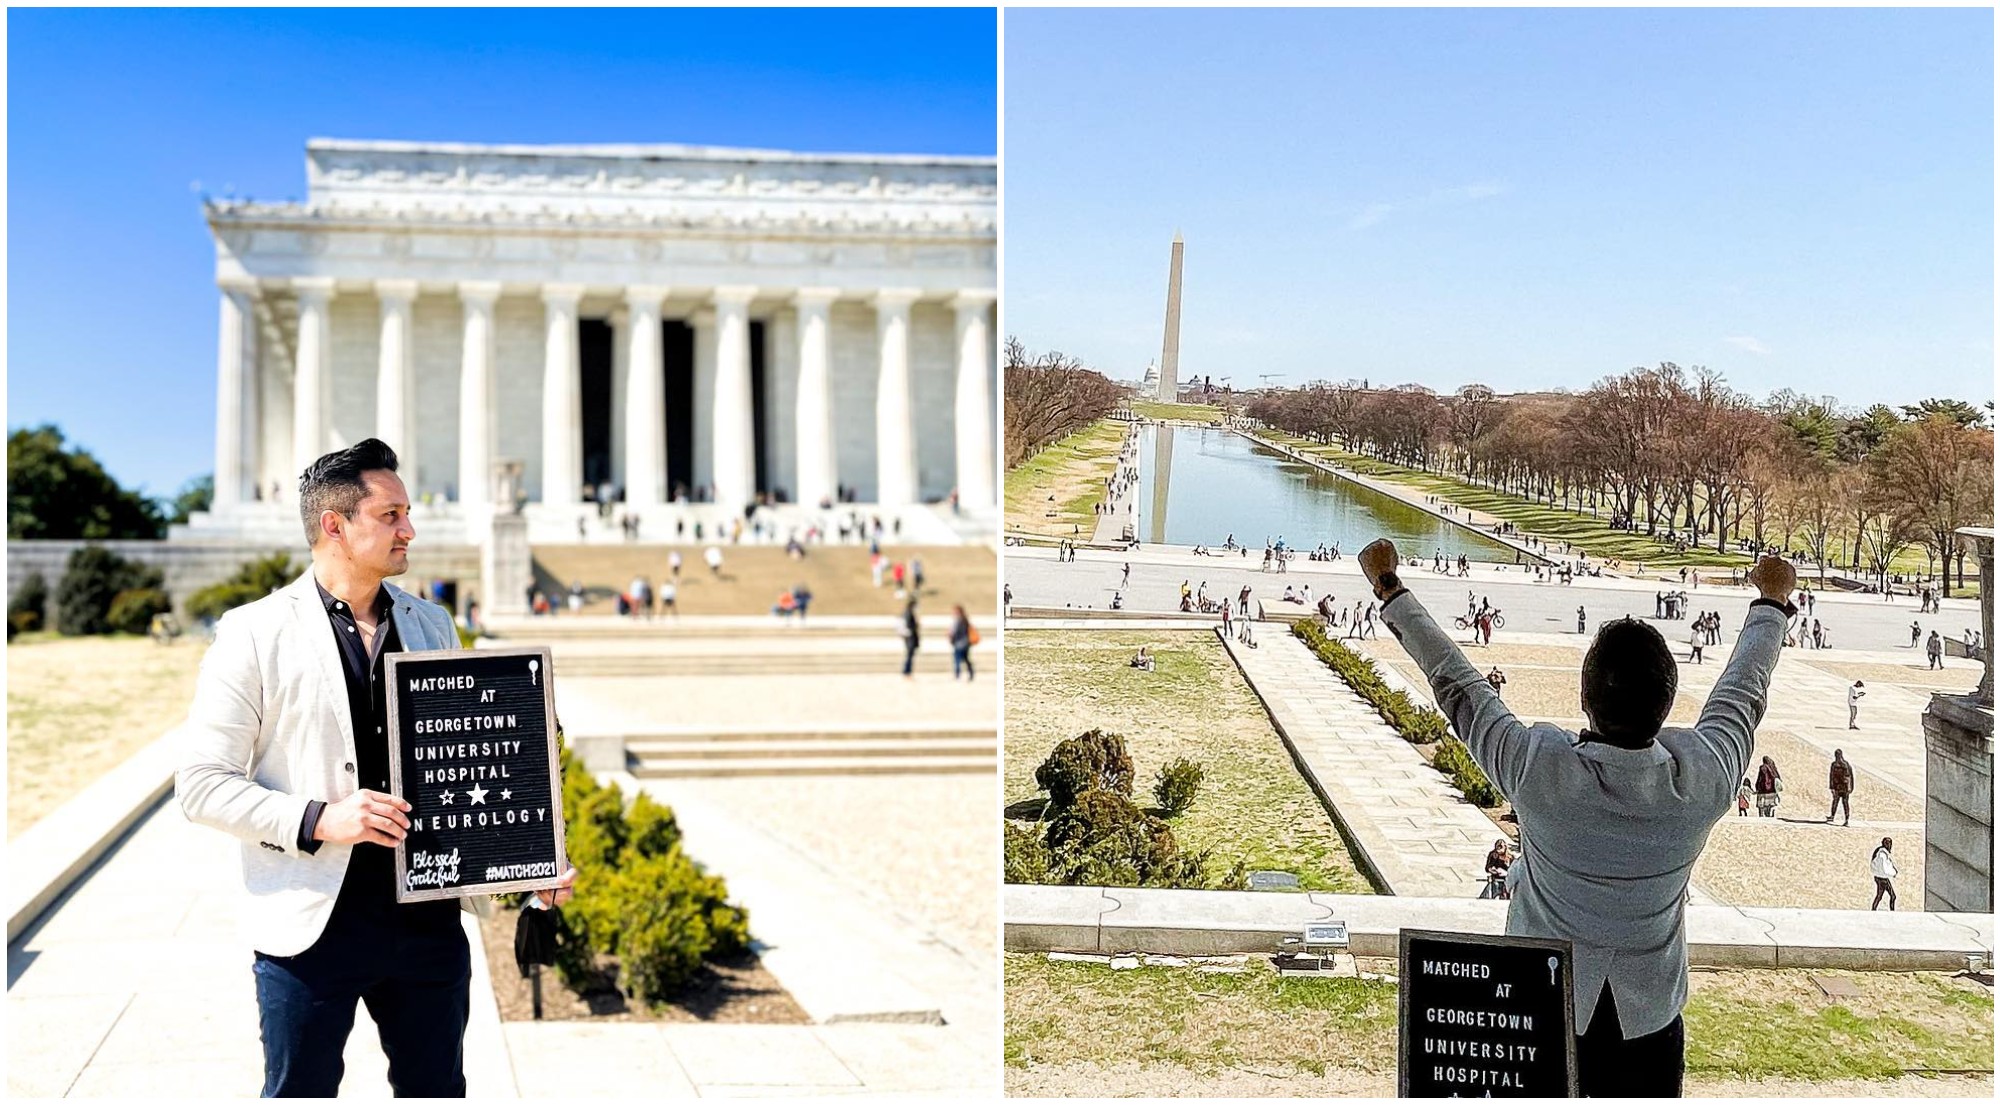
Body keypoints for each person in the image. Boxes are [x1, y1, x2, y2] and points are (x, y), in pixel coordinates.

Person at [175, 440, 576, 1096]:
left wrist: (530, 866)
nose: (409, 529)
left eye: (407, 512)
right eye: (391, 514)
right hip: (311, 925)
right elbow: (200, 784)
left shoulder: (432, 623)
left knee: (437, 1090)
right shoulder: (253, 632)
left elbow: (465, 759)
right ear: (334, 525)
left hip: (428, 922)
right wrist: (321, 818)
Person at [1356, 537, 1794, 1097]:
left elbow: (1458, 687)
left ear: (1585, 698)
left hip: (1539, 1005)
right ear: (1666, 704)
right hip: (1649, 1018)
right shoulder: (1703, 779)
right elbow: (1742, 694)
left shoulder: (1539, 769)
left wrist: (1389, 587)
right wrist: (1771, 603)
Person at [1826, 750, 1854, 826]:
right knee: (1836, 802)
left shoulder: (1844, 765)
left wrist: (1851, 787)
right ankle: (1833, 816)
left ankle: (1846, 819)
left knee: (1844, 803)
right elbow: (1831, 776)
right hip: (1839, 787)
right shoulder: (1835, 765)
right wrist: (1832, 787)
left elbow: (1850, 777)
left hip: (1843, 788)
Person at [1870, 837, 1898, 910]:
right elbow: (1884, 868)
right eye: (1888, 844)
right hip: (1882, 878)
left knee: (1879, 896)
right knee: (1892, 896)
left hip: (1879, 877)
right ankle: (1892, 911)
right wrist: (1893, 873)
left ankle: (1873, 909)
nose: (1890, 846)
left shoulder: (1880, 852)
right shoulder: (1882, 855)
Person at [949, 604, 976, 681]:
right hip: (966, 643)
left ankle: (957, 675)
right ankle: (971, 673)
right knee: (966, 659)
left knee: (957, 659)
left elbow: (954, 632)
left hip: (959, 643)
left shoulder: (958, 620)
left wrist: (951, 637)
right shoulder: (965, 619)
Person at [899, 599, 920, 677]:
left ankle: (907, 670)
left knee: (910, 655)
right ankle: (907, 670)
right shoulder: (908, 613)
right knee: (909, 655)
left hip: (910, 636)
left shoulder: (908, 612)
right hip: (910, 637)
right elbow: (908, 625)